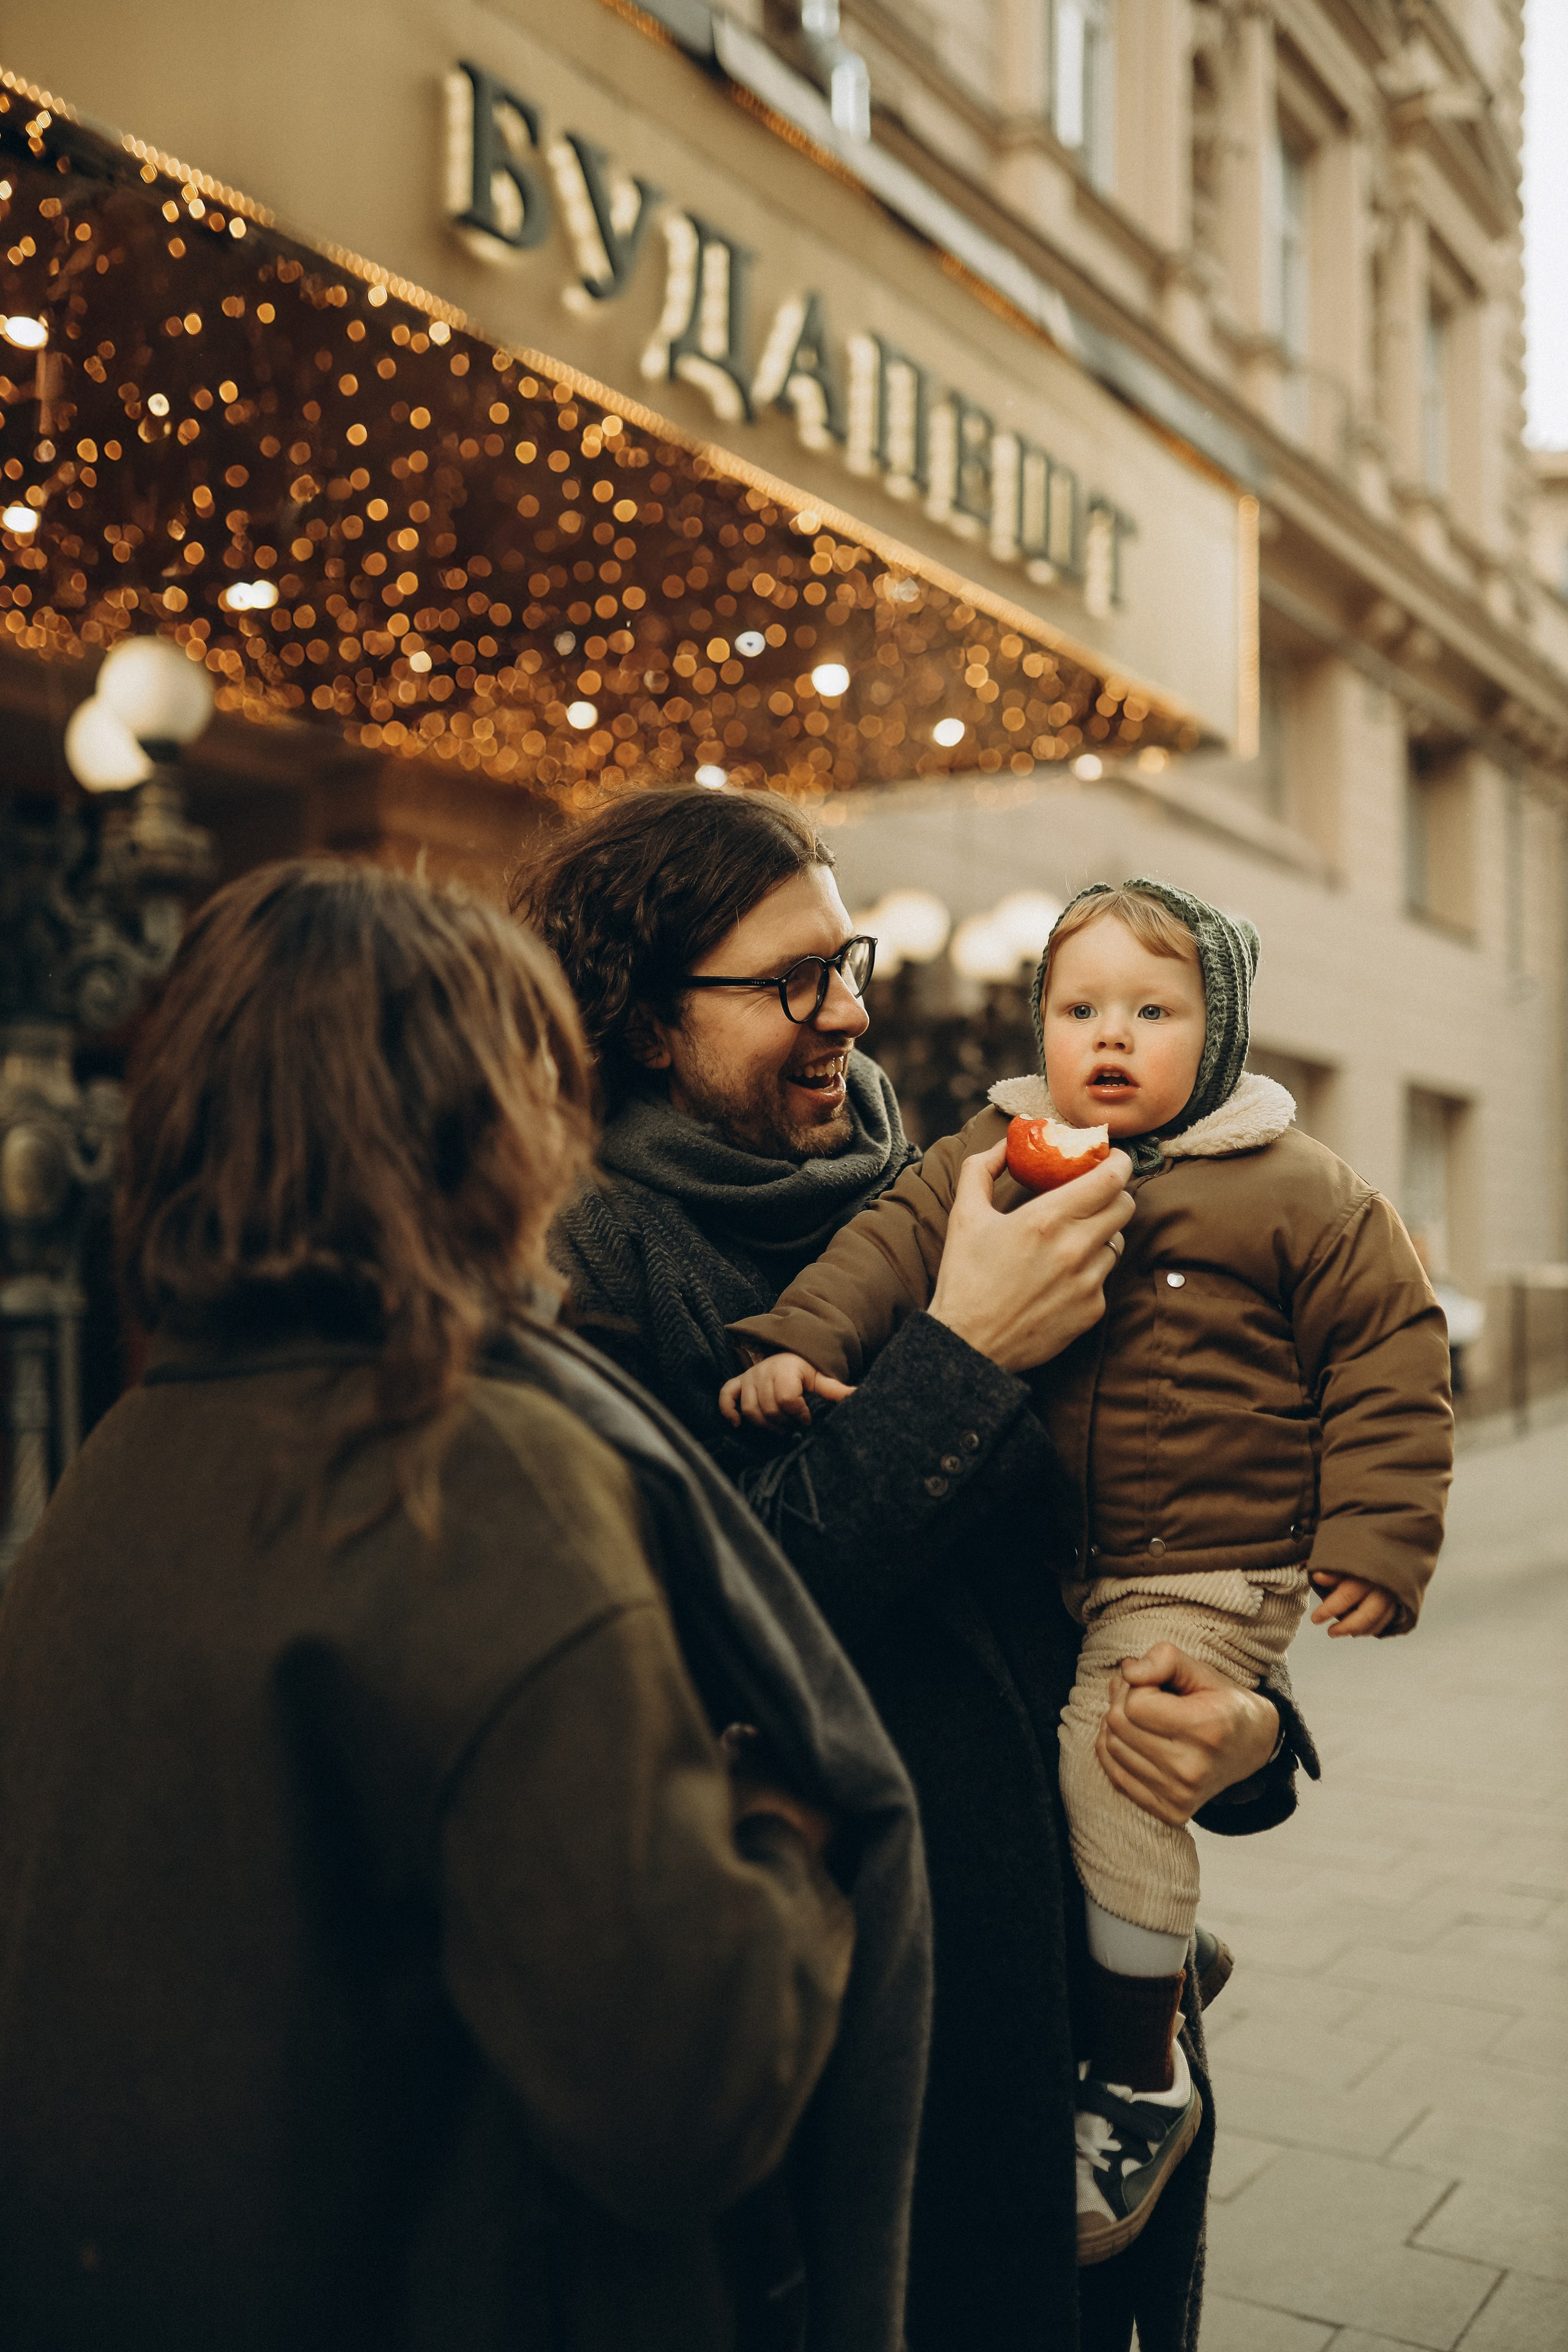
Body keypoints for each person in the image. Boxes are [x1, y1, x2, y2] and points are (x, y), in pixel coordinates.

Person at [0, 861, 930, 2352]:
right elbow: (685, 2086)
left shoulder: (118, 1465)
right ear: (482, 1134)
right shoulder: (476, 1473)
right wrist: (782, 1825)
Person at [517, 794, 1316, 2352]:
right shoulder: (585, 1266)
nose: (853, 1012)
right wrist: (960, 1353)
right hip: (879, 2054)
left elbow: (1174, 1519)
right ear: (646, 1022)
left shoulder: (977, 1180)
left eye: (850, 958)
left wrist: (1247, 1739)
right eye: (793, 980)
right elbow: (701, 1645)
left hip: (1081, 2029)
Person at [723, 875, 1454, 2260]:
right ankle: (1156, 1956)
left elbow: (1387, 1354)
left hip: (1209, 1559)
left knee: (1105, 1762)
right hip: (1064, 1557)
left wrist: (1371, 1539)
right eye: (1078, 1009)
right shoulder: (994, 1151)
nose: (1107, 1037)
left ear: (1220, 1036)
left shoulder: (1292, 1187)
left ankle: (1136, 2075)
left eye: (1152, 1011)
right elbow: (883, 1248)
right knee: (1089, 1769)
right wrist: (797, 1342)